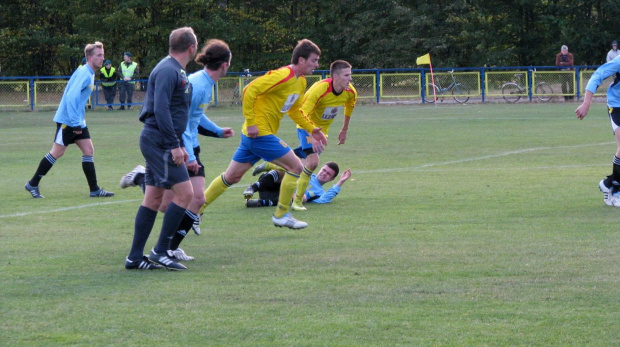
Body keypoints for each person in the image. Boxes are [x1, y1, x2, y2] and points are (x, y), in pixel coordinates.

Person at [121, 39, 235, 261]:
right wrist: (185, 152)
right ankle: (142, 180)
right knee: (172, 202)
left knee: (195, 199)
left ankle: (169, 247)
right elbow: (175, 118)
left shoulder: (205, 84)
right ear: (224, 65)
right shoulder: (195, 83)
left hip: (188, 145)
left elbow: (194, 117)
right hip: (179, 145)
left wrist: (217, 131)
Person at [197, 38, 327, 230]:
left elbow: (294, 110)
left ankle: (195, 210)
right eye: (314, 60)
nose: (317, 65)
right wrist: (250, 122)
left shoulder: (300, 82)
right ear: (301, 59)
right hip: (260, 134)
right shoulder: (283, 75)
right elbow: (250, 90)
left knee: (231, 177)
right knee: (296, 167)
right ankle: (282, 214)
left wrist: (311, 128)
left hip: (254, 137)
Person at [124, 27, 198, 271]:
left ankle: (134, 258)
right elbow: (162, 109)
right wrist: (174, 145)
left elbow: (174, 110)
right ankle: (160, 251)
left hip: (162, 139)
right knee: (186, 194)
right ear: (192, 47)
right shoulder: (168, 70)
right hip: (159, 140)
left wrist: (181, 144)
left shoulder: (176, 69)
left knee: (154, 197)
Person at [252, 60, 356, 211]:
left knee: (299, 161)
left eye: (350, 75)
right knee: (313, 162)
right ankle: (297, 201)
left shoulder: (350, 91)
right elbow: (303, 114)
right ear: (336, 76)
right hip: (305, 127)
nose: (350, 79)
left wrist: (344, 130)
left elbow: (349, 107)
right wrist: (312, 135)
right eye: (347, 75)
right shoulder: (319, 90)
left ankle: (269, 164)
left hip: (321, 132)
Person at [24, 42, 114, 199]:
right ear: (89, 57)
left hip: (77, 120)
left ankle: (94, 190)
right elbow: (71, 98)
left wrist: (79, 121)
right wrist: (75, 123)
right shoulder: (85, 73)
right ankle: (32, 184)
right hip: (69, 120)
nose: (102, 58)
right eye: (99, 55)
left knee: (88, 150)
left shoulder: (89, 72)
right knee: (57, 152)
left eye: (103, 55)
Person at [576, 56, 620, 207]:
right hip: (617, 105)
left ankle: (608, 184)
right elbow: (597, 76)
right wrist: (586, 102)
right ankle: (615, 190)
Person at [244, 162, 351, 208]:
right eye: (324, 170)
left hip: (278, 197)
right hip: (270, 183)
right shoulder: (307, 173)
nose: (324, 173)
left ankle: (259, 203)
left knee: (302, 198)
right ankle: (253, 188)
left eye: (328, 174)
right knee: (288, 170)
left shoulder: (319, 193)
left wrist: (340, 182)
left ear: (332, 179)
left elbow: (324, 200)